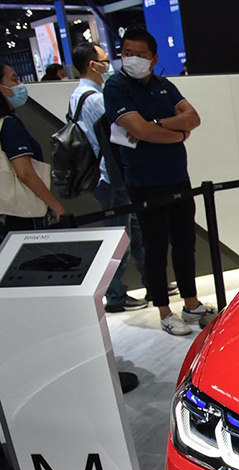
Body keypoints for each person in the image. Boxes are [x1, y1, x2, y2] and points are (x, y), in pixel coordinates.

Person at [103, 26, 214, 336]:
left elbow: (193, 118)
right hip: (144, 180)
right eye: (127, 53)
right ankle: (164, 310)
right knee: (155, 246)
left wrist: (156, 124)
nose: (132, 59)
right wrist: (176, 134)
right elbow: (138, 129)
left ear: (153, 57)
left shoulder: (164, 85)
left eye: (140, 54)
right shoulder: (116, 87)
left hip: (177, 175)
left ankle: (191, 303)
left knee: (184, 242)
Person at [69, 41, 147, 313]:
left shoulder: (77, 95)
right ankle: (115, 295)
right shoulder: (95, 99)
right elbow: (123, 131)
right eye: (104, 60)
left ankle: (150, 282)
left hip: (105, 176)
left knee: (131, 231)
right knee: (119, 237)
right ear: (93, 65)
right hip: (110, 176)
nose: (109, 64)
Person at [0, 59, 65, 234]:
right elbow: (25, 173)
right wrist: (56, 206)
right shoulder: (9, 125)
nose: (19, 84)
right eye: (14, 79)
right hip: (21, 214)